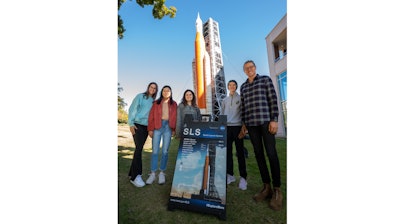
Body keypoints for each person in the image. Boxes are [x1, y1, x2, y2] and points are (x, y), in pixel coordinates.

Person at [239, 60, 283, 211]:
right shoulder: (243, 87)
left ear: (255, 68)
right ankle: (266, 187)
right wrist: (244, 124)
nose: (249, 70)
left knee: (271, 154)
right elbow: (243, 107)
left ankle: (277, 190)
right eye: (246, 68)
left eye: (251, 67)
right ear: (244, 71)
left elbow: (273, 100)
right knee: (258, 155)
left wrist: (274, 120)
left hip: (266, 122)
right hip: (251, 125)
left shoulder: (265, 80)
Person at [128, 82, 158, 187]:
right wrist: (131, 123)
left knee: (138, 148)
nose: (152, 89)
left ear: (156, 90)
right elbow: (132, 109)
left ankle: (131, 173)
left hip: (146, 127)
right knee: (139, 149)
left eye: (155, 88)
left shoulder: (154, 102)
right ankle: (136, 176)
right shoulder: (140, 96)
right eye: (151, 87)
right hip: (137, 125)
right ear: (148, 87)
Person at [146, 85, 178, 185]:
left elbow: (176, 117)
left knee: (165, 151)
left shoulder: (174, 104)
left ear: (171, 93)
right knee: (155, 151)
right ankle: (152, 173)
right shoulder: (156, 103)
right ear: (162, 92)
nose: (166, 92)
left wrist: (174, 129)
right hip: (157, 127)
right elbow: (151, 116)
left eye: (168, 91)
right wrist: (150, 129)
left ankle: (162, 173)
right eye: (164, 91)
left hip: (168, 128)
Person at [220, 80, 248, 190]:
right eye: (230, 85)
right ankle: (230, 175)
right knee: (228, 152)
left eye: (234, 85)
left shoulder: (241, 99)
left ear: (236, 86)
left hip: (238, 127)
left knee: (240, 152)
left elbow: (244, 112)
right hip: (227, 128)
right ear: (228, 87)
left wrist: (243, 127)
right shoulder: (224, 100)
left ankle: (243, 178)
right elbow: (222, 114)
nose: (232, 86)